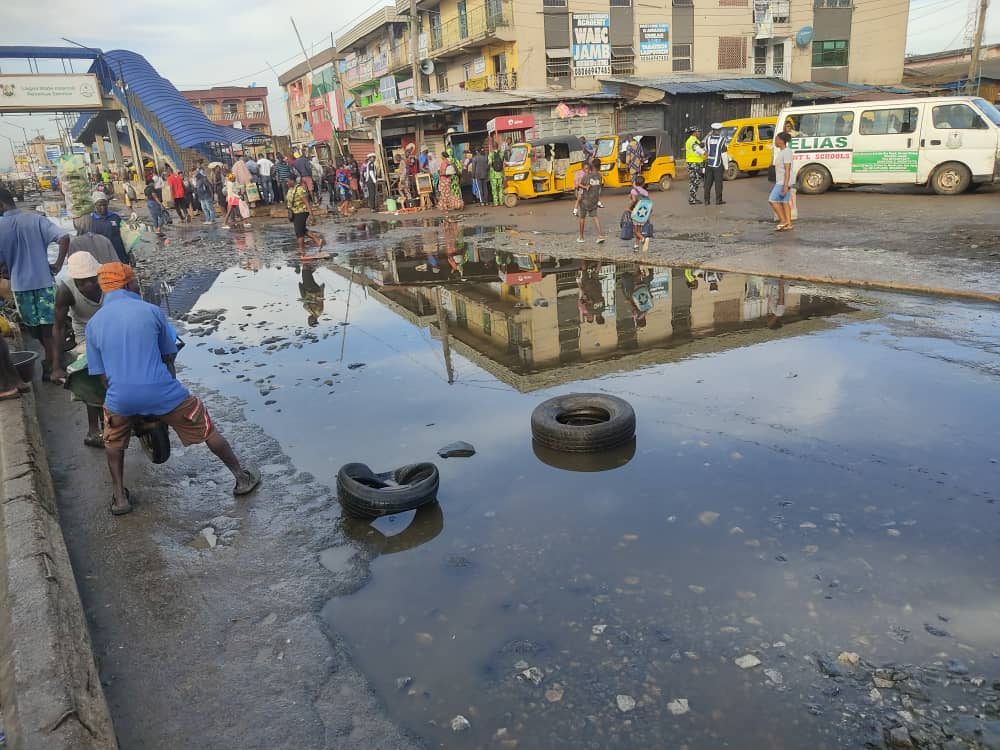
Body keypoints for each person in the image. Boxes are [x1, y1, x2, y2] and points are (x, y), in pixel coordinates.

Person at [86, 262, 261, 515]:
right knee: (206, 428)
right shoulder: (151, 311)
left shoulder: (94, 323)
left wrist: (119, 396)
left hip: (120, 399)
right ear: (127, 284)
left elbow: (101, 377)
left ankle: (119, 498)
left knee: (112, 442)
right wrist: (170, 388)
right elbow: (169, 356)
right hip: (162, 392)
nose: (138, 285)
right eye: (135, 281)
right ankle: (241, 478)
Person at [0, 187, 71, 378]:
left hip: (21, 287)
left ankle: (52, 363)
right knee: (52, 326)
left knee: (35, 328)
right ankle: (52, 360)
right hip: (45, 282)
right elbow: (63, 237)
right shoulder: (35, 219)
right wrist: (57, 264)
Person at [51, 252, 105, 446]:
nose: (88, 285)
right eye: (81, 282)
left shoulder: (109, 281)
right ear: (74, 279)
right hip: (86, 333)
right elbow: (57, 327)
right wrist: (55, 366)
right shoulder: (66, 290)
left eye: (91, 279)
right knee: (89, 373)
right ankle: (93, 429)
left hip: (112, 326)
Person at [285, 175, 326, 258]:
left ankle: (302, 249)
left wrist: (311, 214)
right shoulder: (290, 189)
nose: (287, 183)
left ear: (292, 181)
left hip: (301, 212)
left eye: (288, 181)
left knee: (299, 232)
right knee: (302, 230)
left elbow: (307, 202)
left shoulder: (300, 189)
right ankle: (317, 240)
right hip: (294, 213)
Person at [90, 192, 129, 264]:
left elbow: (126, 237)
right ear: (94, 205)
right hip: (102, 257)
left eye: (105, 205)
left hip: (119, 255)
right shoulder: (90, 220)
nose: (103, 207)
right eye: (100, 205)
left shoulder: (115, 217)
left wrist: (129, 254)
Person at [769, 132, 795, 231]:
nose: (775, 141)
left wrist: (785, 185)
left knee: (772, 200)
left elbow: (787, 170)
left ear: (781, 141)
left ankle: (783, 220)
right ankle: (788, 224)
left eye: (776, 139)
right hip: (783, 181)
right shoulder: (782, 152)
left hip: (783, 182)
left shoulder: (786, 152)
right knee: (784, 202)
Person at [577, 158, 606, 244]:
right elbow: (600, 188)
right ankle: (600, 235)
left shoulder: (587, 176)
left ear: (592, 166)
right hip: (594, 200)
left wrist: (583, 187)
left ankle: (581, 237)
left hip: (585, 200)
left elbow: (580, 185)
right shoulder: (599, 176)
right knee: (595, 217)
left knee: (582, 217)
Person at [703, 123, 728, 206]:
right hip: (718, 165)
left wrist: (704, 165)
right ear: (720, 130)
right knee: (718, 183)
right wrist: (726, 167)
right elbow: (724, 154)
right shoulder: (722, 140)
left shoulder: (707, 139)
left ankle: (706, 201)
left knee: (707, 183)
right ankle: (718, 200)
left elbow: (705, 152)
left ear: (713, 130)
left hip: (709, 165)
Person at [628, 176, 653, 253]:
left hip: (636, 213)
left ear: (635, 182)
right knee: (638, 230)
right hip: (643, 214)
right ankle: (636, 246)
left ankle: (643, 239)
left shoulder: (633, 191)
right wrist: (649, 216)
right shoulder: (645, 192)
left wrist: (628, 208)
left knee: (635, 231)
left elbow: (634, 200)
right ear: (643, 183)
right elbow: (649, 203)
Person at [685, 126, 706, 205]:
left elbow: (700, 146)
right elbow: (698, 150)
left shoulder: (695, 140)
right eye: (698, 132)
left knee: (695, 181)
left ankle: (693, 198)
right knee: (694, 181)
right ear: (694, 133)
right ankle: (692, 199)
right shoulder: (691, 141)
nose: (699, 133)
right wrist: (705, 154)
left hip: (696, 162)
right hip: (694, 163)